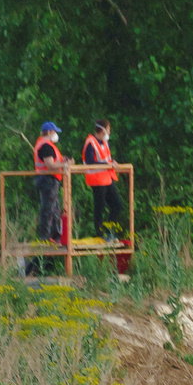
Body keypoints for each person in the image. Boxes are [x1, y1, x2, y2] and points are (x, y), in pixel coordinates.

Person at [81, 119, 128, 277]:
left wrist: (112, 162)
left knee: (117, 204)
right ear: (102, 131)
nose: (109, 133)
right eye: (108, 130)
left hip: (107, 178)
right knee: (99, 207)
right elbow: (89, 161)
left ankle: (109, 232)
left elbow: (107, 158)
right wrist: (106, 163)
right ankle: (100, 233)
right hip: (97, 179)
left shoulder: (104, 143)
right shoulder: (90, 142)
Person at [30, 122, 68, 275]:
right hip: (47, 179)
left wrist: (63, 161)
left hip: (48, 179)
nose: (56, 135)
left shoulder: (45, 144)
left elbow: (52, 162)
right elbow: (50, 164)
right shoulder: (45, 145)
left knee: (54, 209)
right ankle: (46, 237)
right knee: (48, 209)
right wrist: (64, 164)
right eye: (54, 132)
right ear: (49, 132)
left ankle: (54, 236)